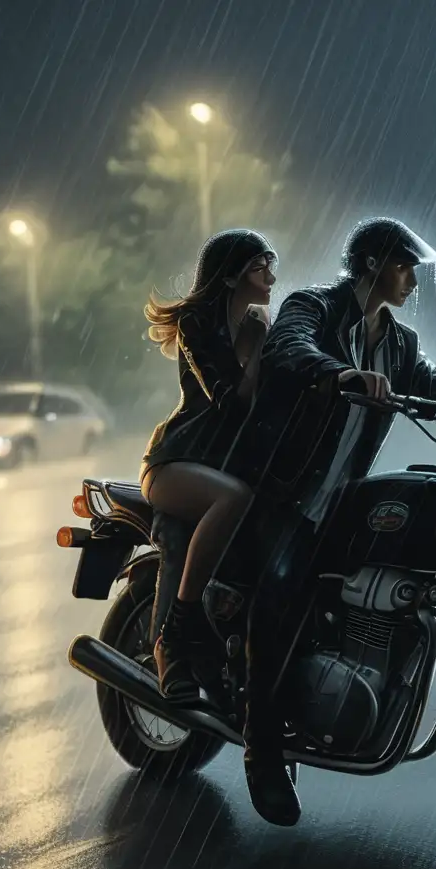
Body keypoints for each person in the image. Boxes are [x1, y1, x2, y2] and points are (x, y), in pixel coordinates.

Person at [236, 216, 436, 827]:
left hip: (343, 494)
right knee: (276, 593)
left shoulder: (398, 343)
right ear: (374, 263)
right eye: (405, 266)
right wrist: (342, 374)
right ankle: (261, 747)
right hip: (287, 491)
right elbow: (289, 348)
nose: (412, 281)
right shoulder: (314, 307)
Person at [139, 228, 278, 700]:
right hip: (176, 461)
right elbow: (233, 402)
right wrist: (257, 345)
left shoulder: (257, 324)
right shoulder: (199, 324)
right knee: (234, 498)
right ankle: (175, 633)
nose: (272, 276)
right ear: (233, 275)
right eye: (261, 266)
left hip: (220, 465)